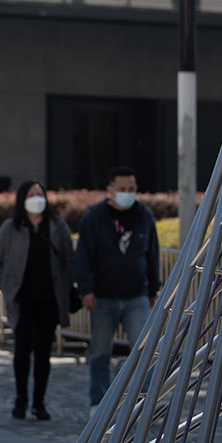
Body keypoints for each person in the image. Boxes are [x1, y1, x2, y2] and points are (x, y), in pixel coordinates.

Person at [74, 165, 160, 414]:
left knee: (144, 350)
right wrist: (86, 289)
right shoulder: (94, 217)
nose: (127, 193)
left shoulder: (144, 215)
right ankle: (98, 401)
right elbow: (84, 256)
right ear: (110, 189)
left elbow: (152, 255)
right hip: (103, 296)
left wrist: (153, 289)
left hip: (136, 295)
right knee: (100, 351)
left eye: (131, 189)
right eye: (122, 189)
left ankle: (145, 401)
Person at [0, 180, 73, 421]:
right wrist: (6, 286)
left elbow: (68, 258)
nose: (36, 198)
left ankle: (39, 402)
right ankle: (20, 400)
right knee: (22, 349)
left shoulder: (57, 225)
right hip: (22, 299)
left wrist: (66, 287)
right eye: (31, 194)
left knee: (43, 352)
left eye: (40, 194)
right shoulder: (12, 227)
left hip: (49, 299)